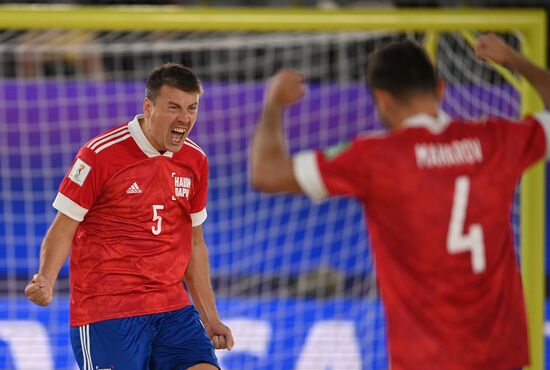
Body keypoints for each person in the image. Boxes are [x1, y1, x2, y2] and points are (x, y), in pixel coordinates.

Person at [249, 34, 550, 370]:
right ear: (441, 89)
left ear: (382, 99)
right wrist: (516, 61)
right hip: (501, 355)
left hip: (426, 359)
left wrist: (273, 104)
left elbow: (266, 173)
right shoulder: (494, 140)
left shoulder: (376, 158)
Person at [25, 63, 234, 370]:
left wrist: (210, 317)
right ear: (148, 107)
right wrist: (46, 277)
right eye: (173, 107)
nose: (185, 118)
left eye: (192, 108)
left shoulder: (195, 160)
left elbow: (194, 244)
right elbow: (64, 227)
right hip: (107, 310)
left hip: (172, 308)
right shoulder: (100, 154)